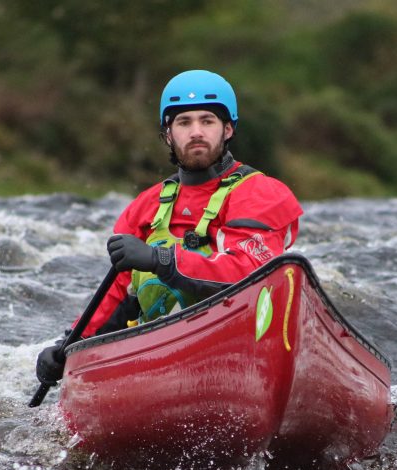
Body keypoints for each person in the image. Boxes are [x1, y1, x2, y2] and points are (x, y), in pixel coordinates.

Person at [36, 69, 302, 387]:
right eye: (184, 122)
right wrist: (70, 346)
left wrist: (160, 259)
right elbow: (118, 296)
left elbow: (251, 274)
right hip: (162, 358)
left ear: (228, 129)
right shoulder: (145, 207)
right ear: (168, 134)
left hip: (236, 347)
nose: (196, 132)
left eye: (208, 121)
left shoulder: (261, 194)